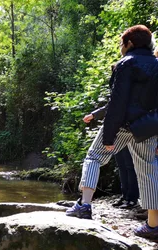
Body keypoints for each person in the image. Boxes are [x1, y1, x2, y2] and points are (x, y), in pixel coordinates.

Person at [66, 25, 158, 239]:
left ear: (130, 43)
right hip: (148, 127)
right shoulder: (157, 64)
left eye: (121, 44)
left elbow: (118, 103)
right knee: (149, 172)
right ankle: (153, 226)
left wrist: (109, 136)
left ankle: (84, 206)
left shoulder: (126, 64)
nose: (120, 47)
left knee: (94, 157)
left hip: (123, 125)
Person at [82, 66, 140, 210]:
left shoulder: (134, 87)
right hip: (119, 130)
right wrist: (94, 115)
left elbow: (114, 107)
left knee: (130, 165)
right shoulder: (122, 86)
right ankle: (125, 196)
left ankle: (132, 199)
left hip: (126, 129)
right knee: (122, 165)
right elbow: (110, 106)